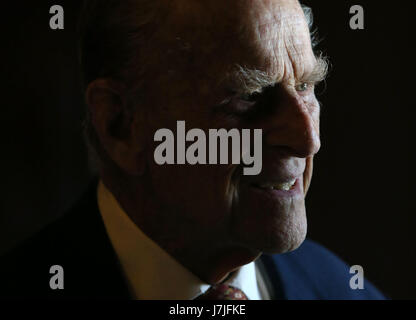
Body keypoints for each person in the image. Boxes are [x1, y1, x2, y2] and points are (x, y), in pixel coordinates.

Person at [0, 0, 385, 299]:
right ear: (121, 125)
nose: (307, 139)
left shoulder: (345, 290)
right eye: (251, 95)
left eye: (305, 85)